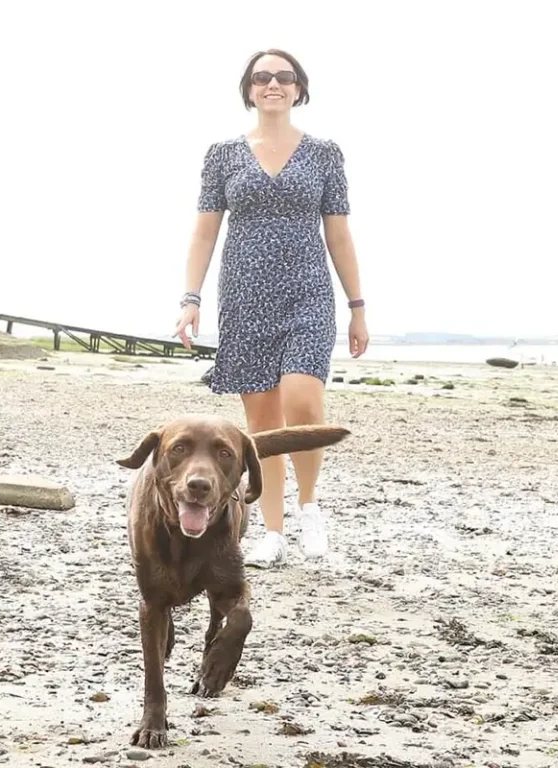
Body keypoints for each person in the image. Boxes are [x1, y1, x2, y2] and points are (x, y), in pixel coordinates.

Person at [174, 49, 369, 569]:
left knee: (303, 401)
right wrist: (190, 298)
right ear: (249, 89)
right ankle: (273, 531)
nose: (273, 84)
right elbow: (205, 229)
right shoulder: (223, 155)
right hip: (243, 296)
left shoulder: (325, 154)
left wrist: (358, 306)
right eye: (262, 77)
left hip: (308, 291)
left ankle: (309, 508)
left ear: (299, 89)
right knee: (262, 427)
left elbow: (340, 233)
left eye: (284, 77)